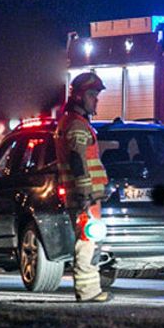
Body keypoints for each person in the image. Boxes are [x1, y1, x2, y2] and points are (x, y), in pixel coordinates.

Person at [55, 72, 112, 302]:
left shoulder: (72, 122)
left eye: (96, 95)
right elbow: (77, 159)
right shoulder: (77, 125)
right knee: (87, 242)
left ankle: (89, 290)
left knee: (88, 240)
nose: (95, 100)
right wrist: (86, 192)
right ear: (79, 96)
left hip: (85, 196)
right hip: (85, 197)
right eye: (91, 94)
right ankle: (88, 292)